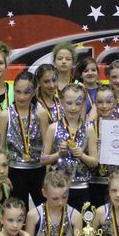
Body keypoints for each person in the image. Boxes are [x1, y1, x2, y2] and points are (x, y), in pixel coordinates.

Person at [42, 83, 98, 211]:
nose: (73, 108)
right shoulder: (53, 128)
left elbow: (94, 162)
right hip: (58, 189)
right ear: (61, 103)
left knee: (82, 223)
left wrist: (82, 155)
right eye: (69, 103)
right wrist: (58, 154)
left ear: (83, 104)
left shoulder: (89, 129)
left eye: (78, 103)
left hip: (81, 187)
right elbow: (43, 159)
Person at [0, 70, 48, 208]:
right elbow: (0, 148)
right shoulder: (5, 115)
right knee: (18, 210)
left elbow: (47, 146)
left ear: (34, 92)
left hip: (38, 169)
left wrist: (48, 172)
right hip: (15, 170)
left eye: (26, 92)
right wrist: (3, 175)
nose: (21, 97)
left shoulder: (41, 113)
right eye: (18, 92)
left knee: (43, 209)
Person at [87, 84, 119, 208]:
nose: (104, 106)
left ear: (115, 103)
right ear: (95, 104)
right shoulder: (88, 127)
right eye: (100, 102)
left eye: (108, 102)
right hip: (91, 182)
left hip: (114, 183)